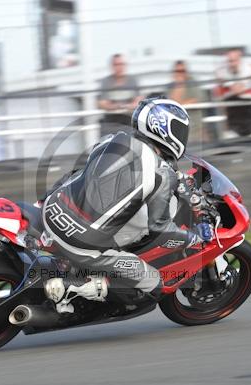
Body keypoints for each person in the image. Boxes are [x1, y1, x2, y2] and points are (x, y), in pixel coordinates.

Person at [41, 98, 211, 313]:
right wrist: (194, 238)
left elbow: (77, 174)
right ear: (165, 129)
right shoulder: (162, 173)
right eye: (179, 129)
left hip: (53, 209)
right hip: (82, 242)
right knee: (154, 284)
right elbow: (160, 230)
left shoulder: (114, 140)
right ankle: (72, 288)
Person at [214, 49, 251, 137]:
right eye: (229, 61)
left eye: (234, 61)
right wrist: (234, 90)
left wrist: (241, 90)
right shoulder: (221, 72)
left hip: (249, 113)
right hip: (232, 115)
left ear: (240, 59)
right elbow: (219, 94)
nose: (232, 64)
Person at [98, 54, 142, 128]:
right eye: (116, 64)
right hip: (111, 122)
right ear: (112, 66)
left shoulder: (132, 80)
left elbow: (138, 101)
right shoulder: (105, 82)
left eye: (121, 64)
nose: (119, 67)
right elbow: (102, 104)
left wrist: (124, 106)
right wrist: (119, 106)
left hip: (129, 121)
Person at [166, 60, 205, 142]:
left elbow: (197, 100)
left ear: (186, 72)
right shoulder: (170, 86)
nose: (180, 73)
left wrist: (178, 105)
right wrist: (178, 86)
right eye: (177, 71)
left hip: (193, 127)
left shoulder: (193, 83)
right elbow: (168, 104)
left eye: (182, 71)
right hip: (175, 128)